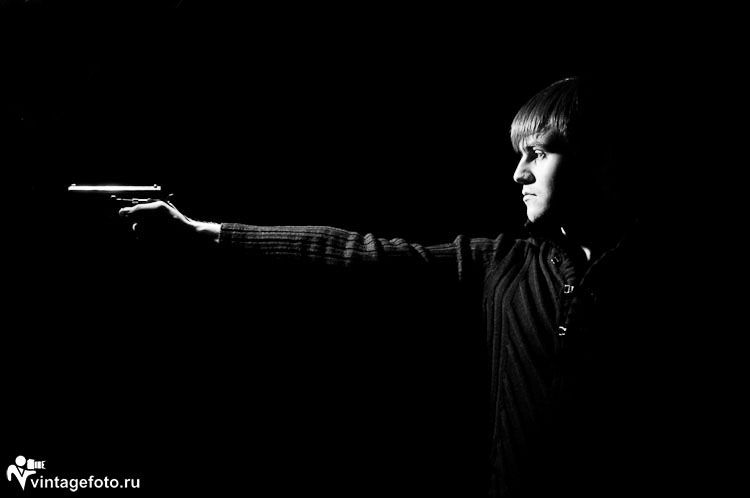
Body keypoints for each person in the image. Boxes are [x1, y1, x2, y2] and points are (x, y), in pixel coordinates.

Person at [119, 75, 659, 497]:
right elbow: (357, 253)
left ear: (599, 157)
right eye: (520, 156)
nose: (519, 174)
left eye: (538, 153)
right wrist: (205, 233)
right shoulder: (503, 264)